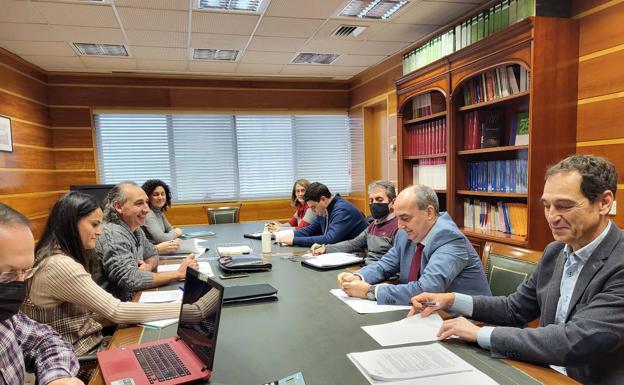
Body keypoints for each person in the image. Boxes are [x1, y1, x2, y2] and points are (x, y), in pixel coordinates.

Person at [411, 155, 623, 385]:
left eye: (564, 206)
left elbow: (577, 340)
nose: (552, 217)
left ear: (604, 202)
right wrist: (451, 300)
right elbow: (514, 309)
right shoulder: (555, 251)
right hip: (540, 372)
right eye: (547, 206)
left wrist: (479, 334)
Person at [22, 191, 215, 361]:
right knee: (173, 355)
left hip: (88, 345)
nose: (99, 232)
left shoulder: (55, 254)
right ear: (71, 224)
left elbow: (92, 314)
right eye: (94, 224)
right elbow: (116, 311)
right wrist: (193, 311)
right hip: (79, 360)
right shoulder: (59, 265)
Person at [337, 184, 490, 305]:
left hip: (462, 321)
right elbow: (384, 265)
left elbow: (427, 289)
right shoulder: (407, 233)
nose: (400, 225)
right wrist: (358, 277)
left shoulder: (450, 239)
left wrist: (369, 291)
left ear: (429, 213)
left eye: (405, 218)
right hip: (425, 312)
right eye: (397, 218)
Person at [0, 203, 83, 385]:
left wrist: (56, 377)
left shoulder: (7, 318)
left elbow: (44, 339)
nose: (20, 282)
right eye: (8, 274)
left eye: (25, 271)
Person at [95, 182, 198, 301]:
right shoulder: (113, 234)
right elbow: (130, 280)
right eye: (139, 203)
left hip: (133, 297)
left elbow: (152, 253)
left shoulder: (135, 229)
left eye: (146, 202)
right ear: (118, 206)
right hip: (117, 308)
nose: (147, 209)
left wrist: (148, 266)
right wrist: (179, 274)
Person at [311, 180, 399, 262]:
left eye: (379, 199)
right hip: (367, 268)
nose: (374, 204)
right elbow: (353, 244)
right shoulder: (374, 225)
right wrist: (325, 248)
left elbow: (394, 263)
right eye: (371, 200)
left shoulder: (398, 227)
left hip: (383, 274)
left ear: (393, 202)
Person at [275, 182, 368, 247]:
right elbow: (309, 230)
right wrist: (281, 236)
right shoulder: (323, 210)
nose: (313, 211)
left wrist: (294, 240)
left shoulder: (342, 210)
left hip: (359, 255)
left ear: (323, 199)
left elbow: (330, 239)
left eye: (313, 207)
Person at [141, 179, 183, 254]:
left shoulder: (158, 210)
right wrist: (176, 233)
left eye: (163, 194)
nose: (160, 197)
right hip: (152, 253)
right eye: (156, 194)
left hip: (162, 250)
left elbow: (169, 229)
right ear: (147, 197)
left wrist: (172, 235)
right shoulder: (148, 213)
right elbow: (162, 239)